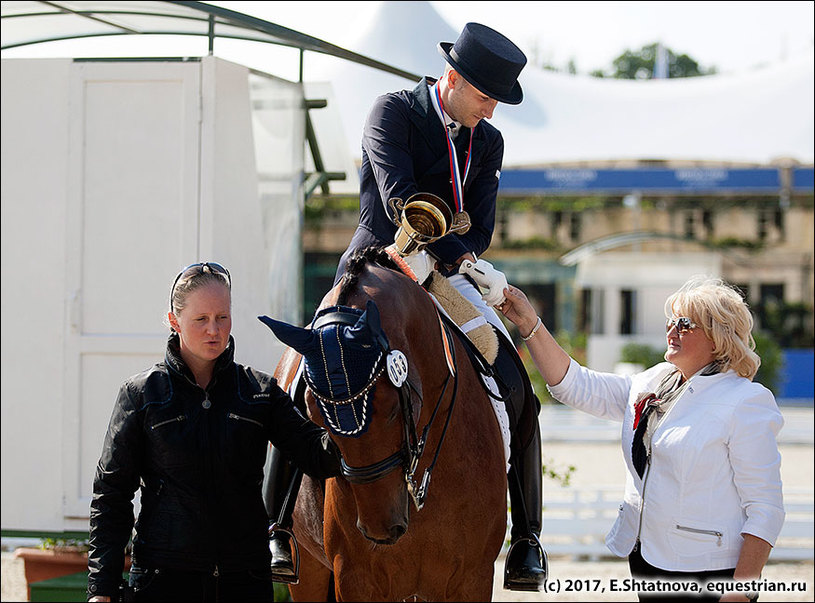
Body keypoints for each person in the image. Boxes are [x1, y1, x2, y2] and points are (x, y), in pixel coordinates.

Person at [267, 22, 548, 592]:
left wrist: (460, 257)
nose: (490, 112)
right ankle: (275, 524)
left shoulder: (487, 142)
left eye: (496, 101)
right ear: (455, 76)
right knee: (303, 370)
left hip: (446, 275)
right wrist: (445, 242)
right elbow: (398, 199)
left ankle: (527, 538)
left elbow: (483, 228)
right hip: (378, 265)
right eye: (485, 97)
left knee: (515, 381)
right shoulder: (393, 111)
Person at [498, 276, 785, 602]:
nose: (671, 330)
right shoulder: (654, 380)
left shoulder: (746, 401)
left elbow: (766, 508)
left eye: (685, 323)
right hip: (647, 562)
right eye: (670, 321)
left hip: (710, 574)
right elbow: (576, 385)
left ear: (718, 338)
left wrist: (740, 593)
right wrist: (529, 324)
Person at [87, 262, 342, 602]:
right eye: (201, 319)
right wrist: (101, 589)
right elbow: (112, 495)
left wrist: (348, 394)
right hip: (162, 584)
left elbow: (320, 456)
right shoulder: (142, 395)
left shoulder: (259, 392)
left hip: (244, 582)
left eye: (223, 317)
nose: (214, 330)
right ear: (174, 321)